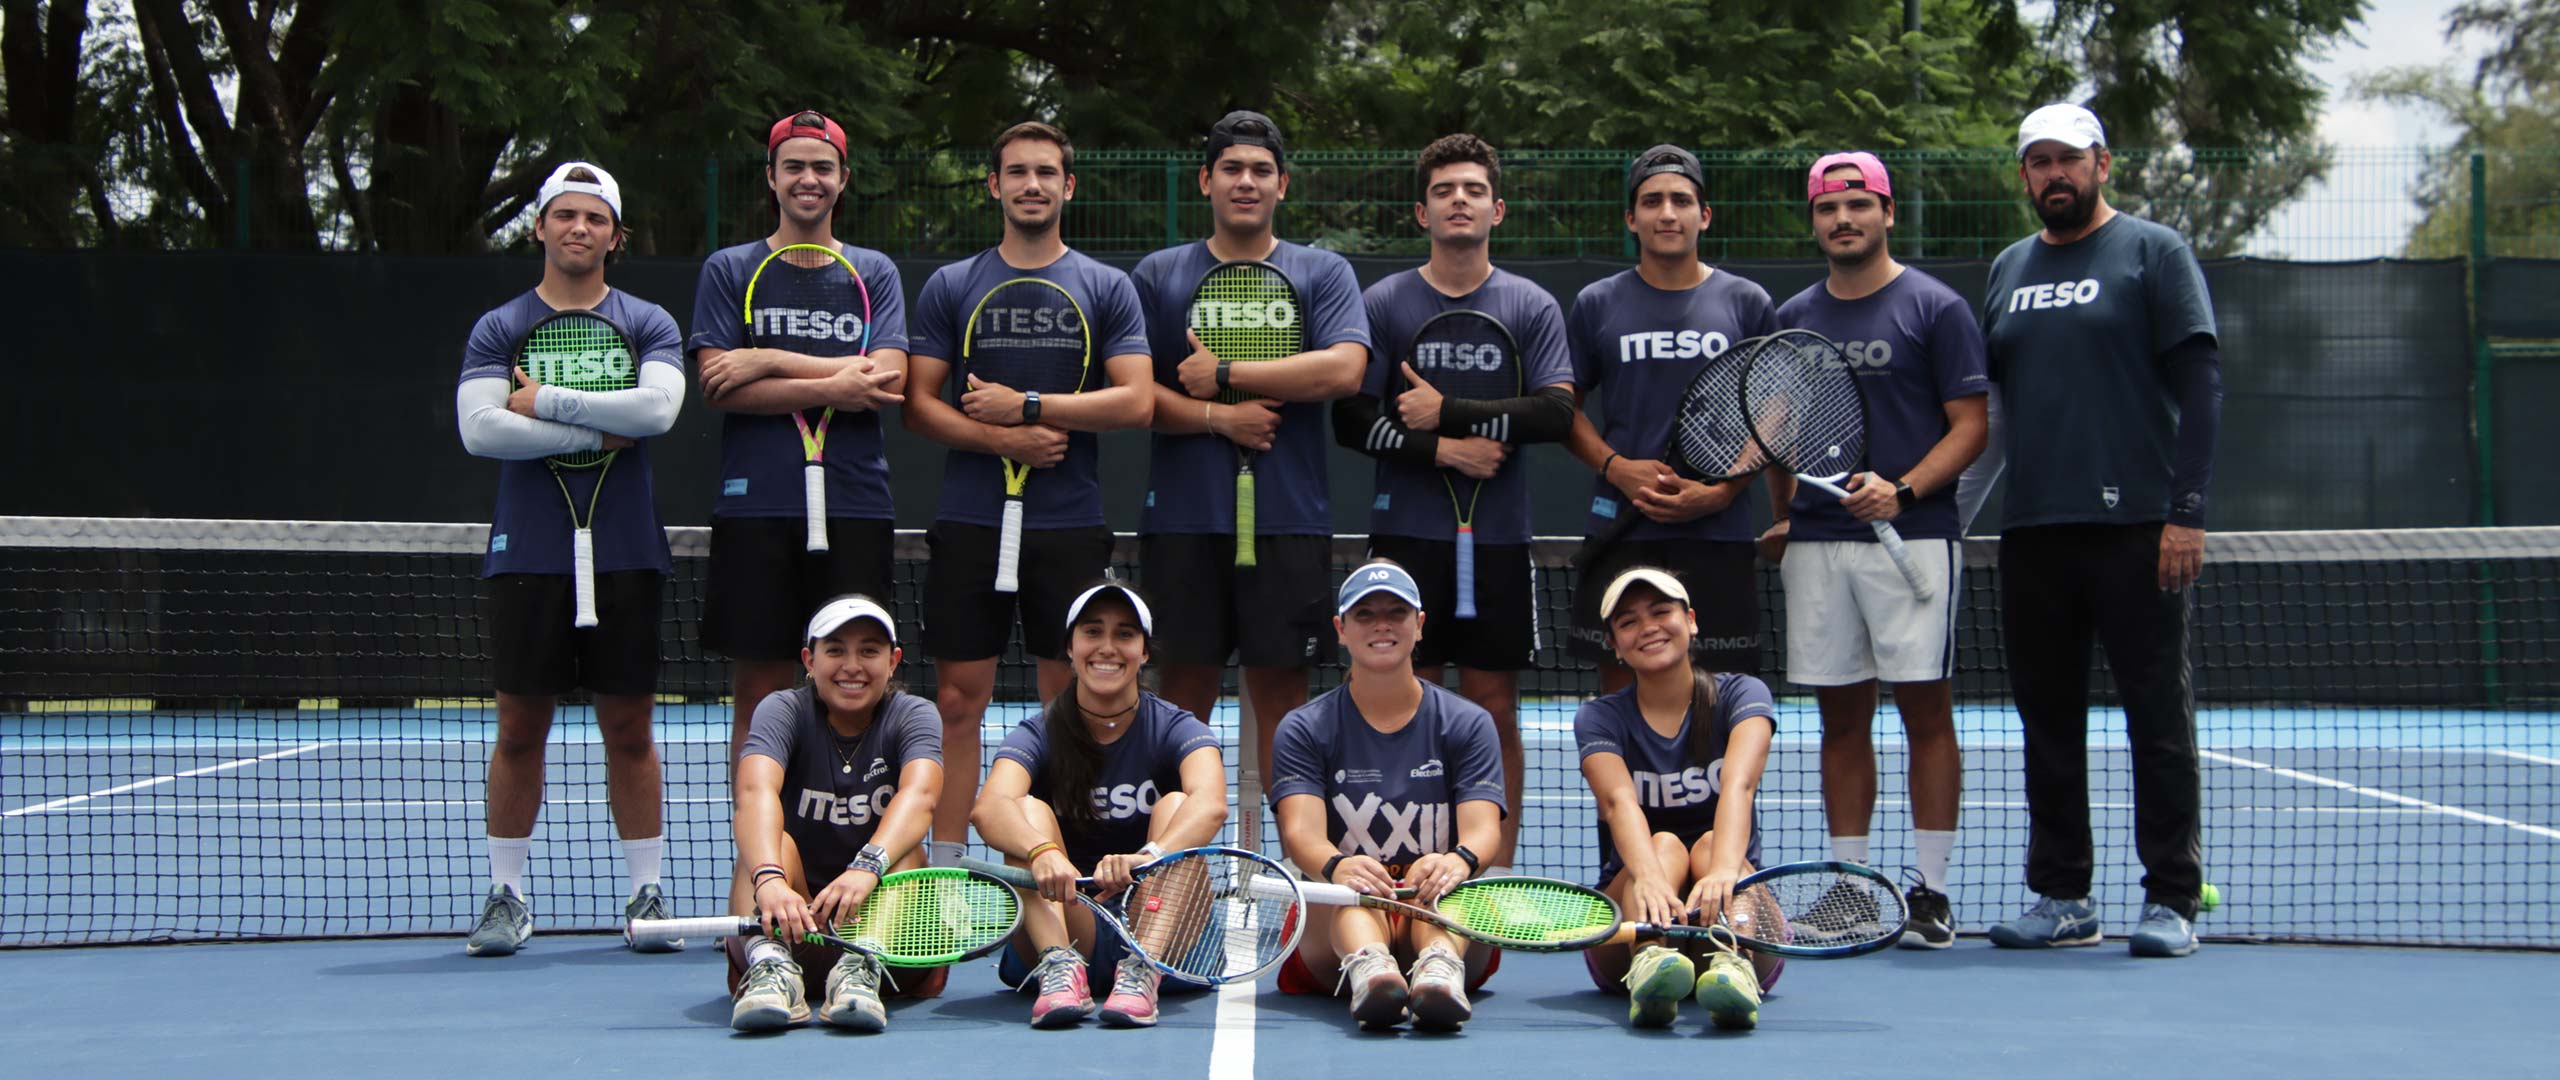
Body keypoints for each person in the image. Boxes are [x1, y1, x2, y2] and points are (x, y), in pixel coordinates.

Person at [1969, 104, 2223, 958]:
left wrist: (2185, 512)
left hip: (2139, 529)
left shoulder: (2155, 252)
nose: (2053, 175)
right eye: (2038, 162)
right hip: (2034, 532)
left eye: (2067, 160)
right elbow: (1993, 414)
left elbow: (2202, 388)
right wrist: (1952, 516)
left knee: (2157, 718)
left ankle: (2173, 899)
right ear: (2024, 177)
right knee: (2047, 722)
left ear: (2102, 164)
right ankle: (2063, 893)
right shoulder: (2007, 269)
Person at [905, 121, 1155, 869]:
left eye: (1047, 172)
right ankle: (946, 870)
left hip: (1069, 523)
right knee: (957, 702)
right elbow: (920, 405)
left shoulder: (1106, 286)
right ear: (994, 185)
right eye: (1017, 172)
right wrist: (1003, 439)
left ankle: (1063, 862)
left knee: (1070, 702)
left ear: (1068, 186)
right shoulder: (953, 284)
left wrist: (1033, 407)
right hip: (971, 519)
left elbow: (1136, 400)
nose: (1032, 184)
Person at [454, 161, 685, 957]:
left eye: (594, 218)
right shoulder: (499, 326)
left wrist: (545, 402)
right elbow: (481, 430)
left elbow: (656, 409)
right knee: (519, 727)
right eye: (564, 216)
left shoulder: (648, 321)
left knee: (630, 727)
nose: (578, 229)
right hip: (530, 553)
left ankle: (647, 896)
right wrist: (595, 431)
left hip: (625, 550)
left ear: (614, 237)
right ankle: (506, 896)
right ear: (541, 228)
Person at [1761, 152, 1990, 948]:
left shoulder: (1936, 308)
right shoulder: (1792, 317)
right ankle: (1853, 891)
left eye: (1859, 206)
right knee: (1840, 718)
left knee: (1926, 710)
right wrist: (1788, 515)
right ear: (1816, 222)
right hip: (1820, 545)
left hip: (1914, 541)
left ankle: (1930, 894)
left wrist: (1905, 490)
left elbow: (1971, 426)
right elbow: (1779, 433)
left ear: (1887, 213)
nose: (1843, 221)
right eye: (1829, 209)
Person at [1333, 133, 1574, 871]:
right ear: (1422, 211)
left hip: (1498, 541)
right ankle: (1404, 867)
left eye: (1472, 189)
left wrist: (1454, 413)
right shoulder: (1385, 302)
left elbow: (1557, 415)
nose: (1459, 200)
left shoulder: (1529, 305)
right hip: (1405, 543)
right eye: (1444, 191)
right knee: (1407, 702)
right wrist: (1442, 449)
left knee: (1495, 707)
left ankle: (1491, 872)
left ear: (1496, 208)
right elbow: (1350, 419)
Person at [1130, 110, 1370, 821]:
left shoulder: (1321, 272)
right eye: (1231, 168)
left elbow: (1345, 369)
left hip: (1288, 522)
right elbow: (1137, 395)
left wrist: (1229, 368)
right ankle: (1177, 881)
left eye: (1261, 170)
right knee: (1180, 701)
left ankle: (1283, 890)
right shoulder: (1160, 274)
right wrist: (1219, 416)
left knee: (1284, 706)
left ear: (1282, 185)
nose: (1246, 181)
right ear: (1206, 180)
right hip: (1183, 522)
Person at [689, 110, 911, 778]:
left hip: (855, 506)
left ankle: (847, 847)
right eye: (794, 166)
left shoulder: (873, 271)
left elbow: (887, 377)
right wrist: (828, 376)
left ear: (842, 179)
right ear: (772, 178)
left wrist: (762, 360)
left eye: (821, 167)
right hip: (758, 507)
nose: (807, 179)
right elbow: (719, 384)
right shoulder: (730, 269)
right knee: (759, 696)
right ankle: (757, 864)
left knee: (857, 690)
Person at [1562, 145, 1785, 693]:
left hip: (1718, 534)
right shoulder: (1596, 302)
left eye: (1682, 200)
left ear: (1703, 215)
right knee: (1620, 693)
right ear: (1630, 218)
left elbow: (1776, 411)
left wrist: (1726, 489)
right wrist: (1618, 469)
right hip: (1621, 527)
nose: (1668, 213)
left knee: (1722, 695)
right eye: (1652, 201)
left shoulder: (1746, 301)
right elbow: (1563, 408)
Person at [972, 582, 1227, 1028]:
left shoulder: (1175, 726)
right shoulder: (1039, 732)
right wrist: (1043, 852)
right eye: (1093, 632)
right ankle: (1058, 967)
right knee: (1024, 814)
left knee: (1177, 805)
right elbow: (989, 807)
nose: (1107, 648)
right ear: (1070, 649)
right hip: (1073, 921)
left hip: (1163, 928)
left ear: (1144, 652)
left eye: (1124, 635)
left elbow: (1210, 805)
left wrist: (1148, 857)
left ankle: (1141, 969)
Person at [1270, 561, 1505, 1032]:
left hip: (1438, 909)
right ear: (1341, 629)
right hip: (1336, 934)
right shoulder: (1304, 727)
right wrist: (1340, 865)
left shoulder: (1467, 722)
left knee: (1443, 881)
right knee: (1346, 892)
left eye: (1397, 612)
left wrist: (1457, 861)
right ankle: (1371, 970)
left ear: (1419, 625)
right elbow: (1301, 833)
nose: (1382, 624)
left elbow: (1483, 829)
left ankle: (1439, 970)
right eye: (1365, 615)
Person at [1574, 567, 1781, 1030]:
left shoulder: (1742, 694)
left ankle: (1733, 966)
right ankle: (1650, 963)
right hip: (1635, 914)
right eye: (1628, 622)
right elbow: (1617, 803)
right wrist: (1648, 879)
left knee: (1710, 846)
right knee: (1663, 843)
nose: (1647, 626)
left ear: (1690, 620)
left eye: (1661, 611)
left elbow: (1739, 784)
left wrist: (1726, 869)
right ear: (1614, 644)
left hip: (1731, 903)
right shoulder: (1599, 717)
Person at [727, 596, 945, 1032]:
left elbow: (920, 796)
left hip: (887, 943)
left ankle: (858, 970)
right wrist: (769, 880)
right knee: (770, 849)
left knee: (908, 857)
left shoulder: (914, 714)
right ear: (809, 659)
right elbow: (755, 792)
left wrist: (867, 867)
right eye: (835, 650)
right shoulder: (782, 710)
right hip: (791, 925)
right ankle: (771, 970)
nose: (852, 665)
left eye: (869, 650)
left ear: (893, 660)